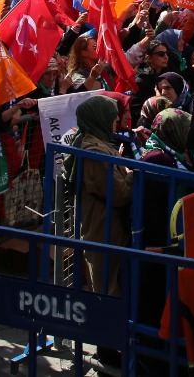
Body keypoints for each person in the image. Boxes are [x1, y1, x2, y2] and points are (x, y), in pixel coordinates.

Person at [64, 94, 132, 295]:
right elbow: (120, 193)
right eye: (112, 115)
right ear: (100, 118)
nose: (117, 119)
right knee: (105, 290)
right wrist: (132, 174)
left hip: (108, 227)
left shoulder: (99, 142)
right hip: (103, 229)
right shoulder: (94, 152)